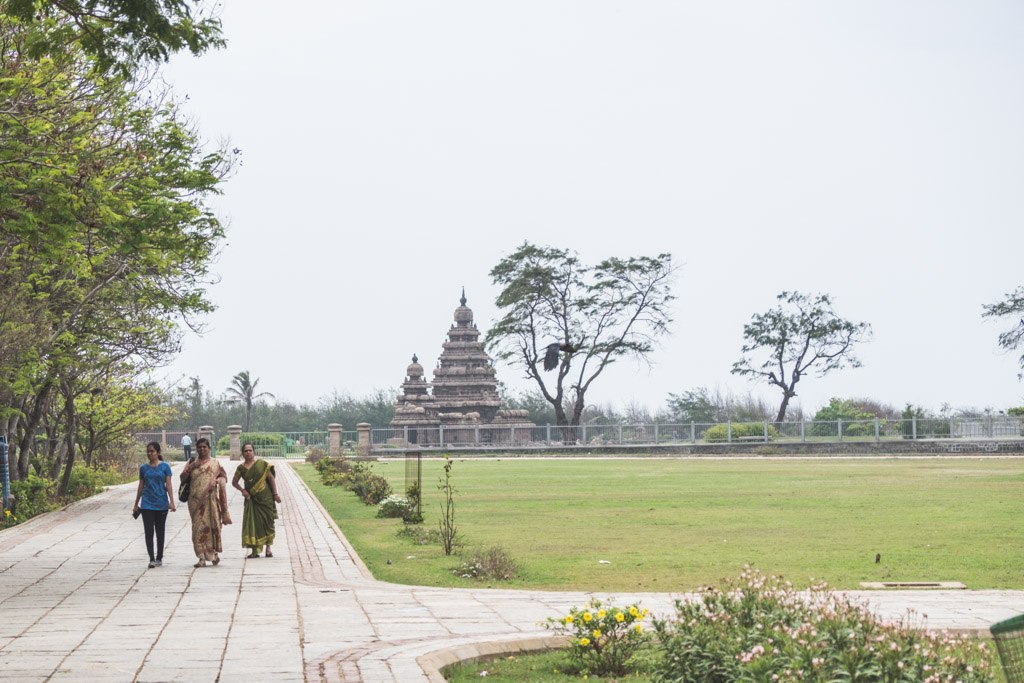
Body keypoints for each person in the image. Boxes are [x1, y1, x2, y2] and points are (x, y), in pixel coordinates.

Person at [179, 437, 230, 567]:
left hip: (210, 500)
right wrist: (191, 467)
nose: (202, 449)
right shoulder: (192, 462)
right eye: (199, 447)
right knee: (197, 529)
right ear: (196, 448)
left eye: (204, 447)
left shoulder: (215, 463)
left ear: (209, 448)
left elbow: (224, 477)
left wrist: (217, 481)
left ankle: (213, 554)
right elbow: (182, 478)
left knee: (213, 526)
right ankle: (201, 557)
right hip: (195, 501)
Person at [232, 442, 282, 558]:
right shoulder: (241, 468)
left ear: (254, 452)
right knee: (253, 524)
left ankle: (268, 548)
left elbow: (271, 478)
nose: (248, 453)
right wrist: (242, 490)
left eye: (250, 450)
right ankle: (255, 551)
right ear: (242, 453)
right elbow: (234, 482)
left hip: (266, 498)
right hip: (252, 499)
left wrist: (275, 494)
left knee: (268, 522)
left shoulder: (262, 464)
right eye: (246, 451)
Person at [133, 442, 176, 568]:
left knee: (160, 531)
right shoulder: (143, 468)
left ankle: (159, 557)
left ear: (157, 452)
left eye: (152, 451)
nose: (150, 454)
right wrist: (136, 503)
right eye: (148, 451)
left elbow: (168, 485)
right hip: (147, 503)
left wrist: (171, 502)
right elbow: (141, 486)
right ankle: (151, 558)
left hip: (161, 503)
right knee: (148, 531)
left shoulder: (165, 467)